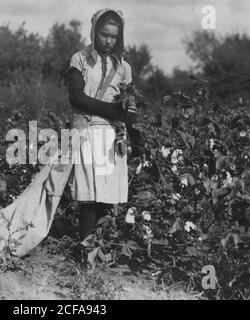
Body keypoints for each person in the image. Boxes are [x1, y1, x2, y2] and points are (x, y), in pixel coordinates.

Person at [67, 8, 145, 241]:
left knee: (106, 195)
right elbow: (77, 98)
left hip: (112, 135)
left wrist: (137, 141)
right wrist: (114, 111)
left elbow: (129, 108)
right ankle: (84, 248)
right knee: (89, 195)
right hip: (87, 131)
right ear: (93, 32)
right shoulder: (79, 59)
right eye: (103, 34)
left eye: (113, 36)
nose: (108, 40)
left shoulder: (124, 67)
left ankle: (99, 249)